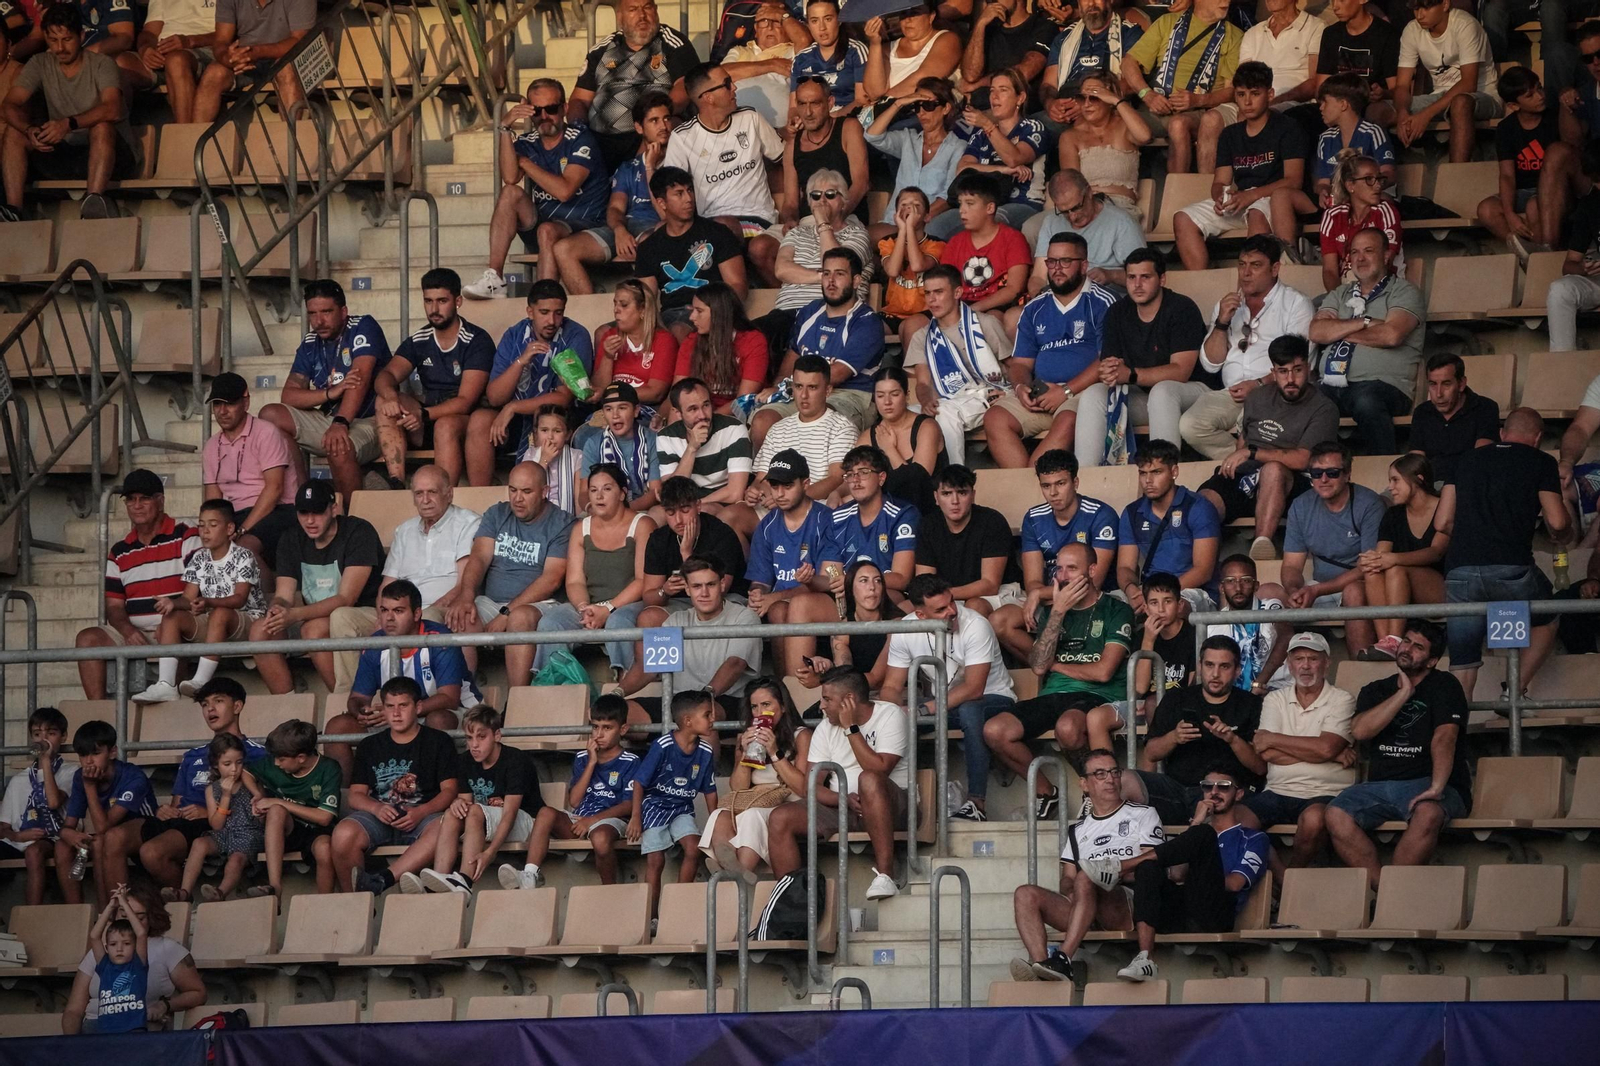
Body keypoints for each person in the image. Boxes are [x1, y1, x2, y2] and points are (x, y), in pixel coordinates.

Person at [986, 543, 1136, 814]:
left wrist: (1057, 665)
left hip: (1099, 695)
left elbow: (1103, 672)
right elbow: (1039, 668)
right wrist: (1057, 612)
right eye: (1059, 568)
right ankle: (1046, 793)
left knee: (1068, 727)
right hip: (1054, 694)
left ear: (1092, 570)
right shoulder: (1053, 610)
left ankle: (1094, 792)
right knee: (994, 730)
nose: (1063, 576)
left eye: (1072, 568)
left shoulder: (1116, 610)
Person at [1435, 408, 1573, 700]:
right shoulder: (1541, 461)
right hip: (1512, 572)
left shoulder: (1464, 460)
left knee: (1463, 662)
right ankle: (1513, 692)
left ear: (1501, 434)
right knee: (1548, 617)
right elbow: (1558, 522)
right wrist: (1563, 536)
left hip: (1460, 573)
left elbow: (1442, 522)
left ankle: (1458, 731)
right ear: (1537, 438)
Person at [1086, 766, 1268, 983]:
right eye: (1208, 787)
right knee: (1148, 868)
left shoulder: (1253, 838)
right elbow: (1178, 874)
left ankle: (1121, 866)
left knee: (1203, 836)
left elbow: (1236, 884)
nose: (1214, 792)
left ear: (1238, 794)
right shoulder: (1195, 831)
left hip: (1215, 913)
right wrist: (1197, 822)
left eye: (1224, 787)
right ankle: (1145, 958)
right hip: (1184, 909)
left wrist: (1203, 858)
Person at [1324, 622, 1471, 889]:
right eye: (1406, 641)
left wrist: (1437, 787)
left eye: (1419, 647)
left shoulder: (1445, 685)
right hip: (1379, 786)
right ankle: (1384, 889)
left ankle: (1394, 895)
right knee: (1335, 814)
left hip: (1430, 781)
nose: (1408, 649)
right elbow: (1360, 730)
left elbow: (1445, 738)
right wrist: (1403, 694)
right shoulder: (1376, 689)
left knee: (1428, 812)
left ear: (1432, 661)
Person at [1009, 748, 1160, 985]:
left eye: (1114, 772)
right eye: (1100, 774)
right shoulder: (1078, 830)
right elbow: (1067, 877)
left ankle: (1063, 959)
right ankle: (1044, 968)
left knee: (1088, 875)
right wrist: (1072, 888)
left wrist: (1107, 873)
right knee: (1025, 894)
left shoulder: (1142, 814)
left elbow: (1154, 861)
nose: (1110, 779)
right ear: (1085, 784)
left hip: (1123, 904)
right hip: (1084, 904)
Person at [328, 465, 480, 691]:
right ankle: (355, 697)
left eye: (432, 492)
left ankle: (425, 698)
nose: (425, 500)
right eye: (419, 494)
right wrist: (383, 613)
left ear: (449, 493)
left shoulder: (468, 523)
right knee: (342, 617)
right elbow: (388, 583)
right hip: (400, 610)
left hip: (439, 609)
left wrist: (419, 615)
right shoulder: (405, 531)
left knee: (428, 618)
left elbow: (464, 583)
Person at [766, 666, 909, 901]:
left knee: (869, 779)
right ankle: (789, 902)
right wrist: (843, 799)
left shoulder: (890, 715)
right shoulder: (824, 728)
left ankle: (886, 875)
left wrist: (851, 728)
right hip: (843, 807)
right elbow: (810, 785)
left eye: (827, 699)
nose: (821, 705)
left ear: (848, 701)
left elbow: (880, 768)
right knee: (780, 817)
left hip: (892, 805)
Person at [882, 574, 1014, 821]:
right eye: (940, 609)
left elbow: (974, 688)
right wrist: (890, 712)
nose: (951, 611)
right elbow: (890, 686)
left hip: (994, 699)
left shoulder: (975, 624)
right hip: (945, 706)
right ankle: (899, 804)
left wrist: (924, 710)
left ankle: (977, 803)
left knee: (970, 710)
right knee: (888, 717)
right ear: (920, 616)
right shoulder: (906, 629)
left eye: (951, 602)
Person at [1197, 335, 1339, 564]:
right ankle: (1197, 560)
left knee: (1272, 470)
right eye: (1283, 371)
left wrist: (1252, 453)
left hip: (1294, 483)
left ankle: (1261, 545)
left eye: (1298, 370)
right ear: (1273, 372)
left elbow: (1304, 459)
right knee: (1204, 501)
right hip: (1249, 475)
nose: (1290, 379)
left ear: (1309, 368)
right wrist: (1240, 455)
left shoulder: (1324, 408)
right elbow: (1244, 437)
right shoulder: (1258, 397)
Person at [465, 79, 610, 296]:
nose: (544, 117)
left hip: (587, 225)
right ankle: (494, 278)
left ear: (565, 108)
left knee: (547, 230)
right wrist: (505, 128)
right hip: (548, 224)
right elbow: (510, 177)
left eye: (551, 109)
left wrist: (524, 162)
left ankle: (545, 299)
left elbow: (564, 191)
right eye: (537, 111)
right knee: (510, 193)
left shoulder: (580, 139)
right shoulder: (527, 141)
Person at [984, 232, 1116, 468]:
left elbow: (1106, 360)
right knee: (995, 418)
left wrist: (1065, 391)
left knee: (1066, 420)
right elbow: (1021, 364)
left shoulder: (1103, 301)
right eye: (1052, 262)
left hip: (1082, 392)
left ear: (1084, 265)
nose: (1057, 268)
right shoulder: (1034, 307)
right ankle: (1026, 486)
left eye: (1066, 261)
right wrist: (1020, 387)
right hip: (1041, 392)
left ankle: (1034, 486)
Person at [1179, 239, 1316, 461]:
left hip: (1274, 393)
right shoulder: (1227, 305)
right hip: (1231, 392)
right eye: (1242, 265)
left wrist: (1258, 384)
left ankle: (1246, 463)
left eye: (1255, 265)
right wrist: (1222, 322)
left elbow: (1299, 363)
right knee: (1190, 425)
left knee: (1254, 425)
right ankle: (1247, 461)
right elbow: (1210, 364)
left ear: (1274, 268)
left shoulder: (1296, 303)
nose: (1246, 273)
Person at [1173, 61, 1313, 272]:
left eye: (1255, 94)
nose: (1247, 102)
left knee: (1256, 212)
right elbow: (1220, 180)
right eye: (1240, 94)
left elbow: (1293, 180)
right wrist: (1221, 196)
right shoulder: (1231, 134)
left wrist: (1251, 196)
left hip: (1273, 198)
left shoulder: (1287, 127)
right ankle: (1200, 282)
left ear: (1270, 94)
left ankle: (1257, 286)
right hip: (1241, 200)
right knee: (1183, 218)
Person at [259, 280, 390, 506]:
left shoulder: (363, 326)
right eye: (313, 314)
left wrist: (341, 422)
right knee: (270, 414)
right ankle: (302, 498)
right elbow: (289, 396)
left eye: (327, 312)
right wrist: (330, 393)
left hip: (371, 420)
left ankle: (352, 520)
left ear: (343, 311)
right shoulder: (310, 342)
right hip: (329, 419)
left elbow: (359, 379)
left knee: (338, 445)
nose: (319, 321)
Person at [1, 4, 138, 218]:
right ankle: (14, 210)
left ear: (81, 36)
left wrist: (68, 123)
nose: (60, 48)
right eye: (53, 40)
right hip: (66, 150)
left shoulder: (102, 63)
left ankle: (94, 201)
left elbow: (113, 109)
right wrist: (29, 130)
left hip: (111, 155)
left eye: (67, 39)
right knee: (14, 132)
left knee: (101, 126)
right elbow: (9, 105)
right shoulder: (40, 62)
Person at [251, 481, 385, 695]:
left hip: (360, 613)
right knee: (261, 630)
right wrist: (277, 609)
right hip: (309, 615)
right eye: (303, 513)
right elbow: (284, 595)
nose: (310, 520)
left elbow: (346, 598)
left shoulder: (358, 531)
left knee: (313, 630)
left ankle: (346, 701)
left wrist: (294, 614)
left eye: (318, 512)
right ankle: (289, 705)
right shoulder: (291, 537)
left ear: (334, 509)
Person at [447, 462, 574, 688]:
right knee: (462, 617)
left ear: (545, 492)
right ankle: (465, 693)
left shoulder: (562, 523)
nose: (517, 499)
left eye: (526, 492)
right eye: (513, 490)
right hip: (492, 602)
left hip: (541, 604)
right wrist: (466, 595)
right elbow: (478, 558)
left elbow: (552, 578)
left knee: (519, 617)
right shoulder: (497, 513)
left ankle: (517, 698)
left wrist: (507, 612)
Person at [76, 470, 199, 700]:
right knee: (87, 639)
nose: (137, 505)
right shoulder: (119, 551)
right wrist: (127, 630)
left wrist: (171, 615)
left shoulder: (185, 532)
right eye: (131, 499)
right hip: (135, 630)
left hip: (177, 624)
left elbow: (196, 588)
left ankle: (176, 703)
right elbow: (113, 606)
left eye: (144, 498)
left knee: (169, 628)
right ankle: (99, 717)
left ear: (160, 501)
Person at [1077, 250, 1207, 467]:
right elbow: (1110, 363)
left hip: (1193, 394)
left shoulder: (1182, 308)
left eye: (1145, 277)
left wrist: (1131, 374)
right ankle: (1088, 480)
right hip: (1144, 397)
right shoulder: (1118, 312)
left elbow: (1181, 371)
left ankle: (1162, 473)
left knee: (1163, 391)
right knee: (1094, 395)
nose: (1137, 285)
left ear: (1162, 279)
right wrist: (1109, 371)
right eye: (1131, 277)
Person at [134, 679, 263, 896]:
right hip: (181, 823)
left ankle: (183, 902)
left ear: (238, 707)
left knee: (151, 852)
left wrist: (209, 813)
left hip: (216, 825)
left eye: (218, 701)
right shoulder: (192, 755)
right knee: (112, 840)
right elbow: (177, 802)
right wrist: (164, 810)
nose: (210, 709)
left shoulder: (258, 754)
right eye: (204, 704)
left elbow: (258, 805)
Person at [335, 581, 480, 772]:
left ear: (417, 614)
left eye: (398, 611)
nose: (389, 618)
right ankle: (345, 797)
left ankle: (431, 792)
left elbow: (449, 699)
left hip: (453, 713)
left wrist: (400, 712)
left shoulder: (440, 638)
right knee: (338, 726)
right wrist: (362, 712)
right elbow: (357, 698)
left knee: (438, 720)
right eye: (384, 610)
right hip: (396, 714)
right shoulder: (374, 644)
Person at [132, 500, 267, 704]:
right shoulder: (199, 558)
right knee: (172, 617)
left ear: (229, 528)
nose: (205, 531)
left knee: (220, 612)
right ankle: (166, 685)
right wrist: (172, 603)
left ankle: (201, 680)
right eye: (201, 525)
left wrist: (209, 602)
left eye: (213, 525)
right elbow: (188, 598)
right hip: (213, 620)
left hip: (248, 620)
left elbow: (239, 599)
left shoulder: (243, 555)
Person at [1240, 632, 1355, 869]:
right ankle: (1282, 880)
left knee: (1314, 821)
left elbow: (1325, 747)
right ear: (1289, 665)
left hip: (1326, 792)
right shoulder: (1275, 699)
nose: (1305, 666)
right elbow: (1266, 753)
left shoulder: (1342, 699)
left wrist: (1274, 739)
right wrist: (1328, 754)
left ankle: (1293, 877)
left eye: (1313, 659)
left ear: (1327, 663)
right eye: (1299, 658)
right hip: (1277, 791)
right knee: (1235, 822)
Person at [337, 677, 461, 895]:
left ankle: (383, 880)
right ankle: (354, 902)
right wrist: (376, 808)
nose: (396, 713)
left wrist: (421, 811)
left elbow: (450, 791)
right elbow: (355, 796)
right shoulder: (370, 745)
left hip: (424, 816)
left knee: (445, 826)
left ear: (418, 707)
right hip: (380, 817)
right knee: (342, 834)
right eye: (390, 707)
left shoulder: (438, 741)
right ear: (382, 709)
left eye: (403, 706)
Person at [1122, 635, 1264, 824]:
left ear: (1237, 670)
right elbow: (1151, 752)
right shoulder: (1176, 699)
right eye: (1209, 665)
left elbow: (1260, 767)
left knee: (1217, 805)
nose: (1215, 674)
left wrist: (1232, 739)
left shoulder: (1251, 704)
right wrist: (1174, 737)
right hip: (1178, 790)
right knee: (1123, 779)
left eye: (1224, 667)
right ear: (1199, 665)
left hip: (1224, 793)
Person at [991, 449, 1119, 660]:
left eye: (1061, 483)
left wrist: (1039, 594)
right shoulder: (1034, 518)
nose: (1053, 492)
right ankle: (1052, 664)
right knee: (998, 621)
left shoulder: (1100, 514)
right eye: (1046, 485)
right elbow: (1032, 581)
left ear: (1075, 483)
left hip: (1093, 600)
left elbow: (1092, 581)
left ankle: (1062, 665)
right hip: (1050, 600)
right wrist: (1040, 595)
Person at [468, 279, 597, 487]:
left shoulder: (575, 335)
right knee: (480, 420)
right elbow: (494, 396)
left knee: (547, 422)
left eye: (558, 312)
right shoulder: (514, 335)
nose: (552, 320)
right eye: (544, 312)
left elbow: (563, 398)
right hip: (518, 419)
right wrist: (521, 362)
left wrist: (512, 407)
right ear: (530, 312)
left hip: (559, 418)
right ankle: (481, 496)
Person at [664, 62, 784, 284]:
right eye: (727, 84)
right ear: (708, 97)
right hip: (710, 225)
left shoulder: (750, 119)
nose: (735, 88)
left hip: (759, 221)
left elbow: (784, 159)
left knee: (725, 230)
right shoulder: (682, 138)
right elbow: (671, 191)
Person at [373, 269, 496, 486]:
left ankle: (443, 496)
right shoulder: (420, 339)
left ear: (458, 301)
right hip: (425, 418)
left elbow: (466, 401)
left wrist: (423, 414)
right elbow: (386, 375)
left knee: (445, 425)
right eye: (428, 301)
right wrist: (391, 396)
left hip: (464, 421)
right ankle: (396, 481)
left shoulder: (477, 340)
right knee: (384, 399)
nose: (434, 309)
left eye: (442, 301)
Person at [752, 243, 883, 446]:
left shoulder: (867, 321)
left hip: (849, 396)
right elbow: (792, 358)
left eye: (839, 274)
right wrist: (778, 387)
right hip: (803, 391)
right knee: (763, 421)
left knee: (818, 419)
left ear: (856, 281)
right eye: (826, 274)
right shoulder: (809, 312)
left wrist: (787, 388)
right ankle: (764, 477)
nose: (830, 281)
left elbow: (837, 374)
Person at [1308, 229, 1425, 455]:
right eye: (1354, 252)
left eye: (1368, 251)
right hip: (1331, 383)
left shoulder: (1404, 291)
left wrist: (1339, 330)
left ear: (1387, 255)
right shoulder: (1339, 294)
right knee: (1303, 400)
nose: (1360, 258)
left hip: (1383, 385)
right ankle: (1314, 475)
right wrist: (1366, 322)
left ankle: (1383, 470)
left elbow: (1391, 335)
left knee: (1365, 401)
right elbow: (1317, 332)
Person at [503, 696, 637, 889]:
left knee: (600, 838)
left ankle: (609, 888)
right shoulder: (583, 758)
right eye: (595, 727)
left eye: (607, 728)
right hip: (579, 819)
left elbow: (628, 805)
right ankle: (530, 875)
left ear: (622, 730)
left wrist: (592, 821)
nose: (599, 734)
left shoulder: (630, 760)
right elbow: (574, 801)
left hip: (610, 821)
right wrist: (591, 763)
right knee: (546, 813)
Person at [533, 464, 655, 679]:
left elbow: (642, 580)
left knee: (619, 622)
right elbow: (574, 581)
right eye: (593, 489)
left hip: (629, 603)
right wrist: (583, 609)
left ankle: (628, 684)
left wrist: (608, 609)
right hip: (591, 604)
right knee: (551, 622)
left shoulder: (642, 524)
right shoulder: (581, 527)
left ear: (622, 493)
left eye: (607, 489)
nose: (599, 496)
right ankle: (553, 686)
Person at [403, 705, 537, 896]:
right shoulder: (464, 761)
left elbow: (510, 813)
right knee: (454, 812)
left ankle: (464, 881)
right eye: (469, 738)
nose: (474, 745)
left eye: (481, 737)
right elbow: (466, 803)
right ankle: (439, 880)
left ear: (497, 735)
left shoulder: (516, 760)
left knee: (474, 810)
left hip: (526, 822)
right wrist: (457, 803)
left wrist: (490, 852)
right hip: (486, 820)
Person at [553, 91, 674, 295]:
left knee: (649, 242)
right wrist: (619, 230)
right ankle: (591, 315)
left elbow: (666, 215)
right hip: (627, 226)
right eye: (654, 120)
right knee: (563, 249)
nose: (663, 126)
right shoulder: (628, 167)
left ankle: (641, 312)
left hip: (656, 228)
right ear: (638, 127)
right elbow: (616, 208)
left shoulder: (679, 162)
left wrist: (651, 168)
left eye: (666, 119)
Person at [756, 166, 875, 363]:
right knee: (750, 336)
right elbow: (782, 269)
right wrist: (823, 276)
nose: (822, 201)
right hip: (787, 312)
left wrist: (822, 224)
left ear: (844, 201)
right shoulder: (796, 233)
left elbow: (835, 263)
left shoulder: (858, 234)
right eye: (816, 195)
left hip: (831, 314)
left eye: (830, 194)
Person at [1278, 440, 1386, 656]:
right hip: (1319, 588)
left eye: (1332, 472)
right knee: (1268, 594)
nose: (1323, 479)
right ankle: (1274, 679)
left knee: (1353, 592)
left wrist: (1316, 590)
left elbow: (1368, 567)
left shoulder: (1369, 504)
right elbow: (1291, 565)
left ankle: (1360, 670)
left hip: (1361, 586)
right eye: (1316, 473)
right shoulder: (1300, 505)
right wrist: (1293, 591)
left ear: (1347, 474)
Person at [744, 449, 846, 676]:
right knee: (777, 611)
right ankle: (785, 687)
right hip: (780, 606)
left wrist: (777, 596)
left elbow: (832, 580)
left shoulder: (826, 519)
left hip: (826, 603)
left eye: (787, 486)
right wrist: (758, 594)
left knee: (787, 606)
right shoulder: (767, 525)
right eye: (774, 486)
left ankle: (794, 687)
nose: (779, 493)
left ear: (806, 483)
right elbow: (760, 579)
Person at [624, 554, 760, 719]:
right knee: (620, 712)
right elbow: (649, 669)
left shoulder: (744, 616)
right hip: (680, 703)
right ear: (687, 589)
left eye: (710, 584)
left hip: (727, 701)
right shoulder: (675, 621)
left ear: (722, 584)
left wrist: (704, 696)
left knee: (701, 714)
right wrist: (616, 694)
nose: (704, 593)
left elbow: (735, 664)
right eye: (696, 586)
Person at [568, 0, 699, 170]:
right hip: (600, 139)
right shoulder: (601, 49)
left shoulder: (671, 42)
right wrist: (579, 130)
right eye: (633, 9)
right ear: (620, 17)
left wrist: (654, 120)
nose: (642, 16)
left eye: (647, 7)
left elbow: (685, 87)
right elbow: (579, 99)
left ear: (656, 10)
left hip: (647, 135)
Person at [62, 879, 205, 1034]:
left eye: (139, 917)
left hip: (140, 1025)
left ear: (152, 917)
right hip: (95, 1026)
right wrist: (71, 1044)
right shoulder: (101, 953)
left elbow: (198, 993)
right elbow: (74, 1010)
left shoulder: (168, 948)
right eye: (124, 914)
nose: (131, 921)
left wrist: (165, 1005)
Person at [905, 265, 1012, 467]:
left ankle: (954, 476)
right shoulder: (923, 336)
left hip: (987, 396)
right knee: (906, 413)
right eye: (927, 293)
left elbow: (1013, 365)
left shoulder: (984, 323)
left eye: (938, 292)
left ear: (957, 292)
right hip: (947, 399)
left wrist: (1012, 394)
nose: (931, 299)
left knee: (944, 413)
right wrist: (926, 400)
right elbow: (922, 382)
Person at [1120, 0, 1243, 174]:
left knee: (1178, 124)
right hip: (1158, 105)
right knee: (1115, 121)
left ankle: (1178, 193)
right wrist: (1147, 95)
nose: (1226, 2)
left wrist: (1198, 100)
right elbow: (1128, 63)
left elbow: (1232, 92)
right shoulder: (1167, 22)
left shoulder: (1233, 35)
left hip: (1201, 110)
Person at [701, 678, 811, 873]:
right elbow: (739, 788)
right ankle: (727, 864)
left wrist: (774, 752)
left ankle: (738, 871)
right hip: (756, 800)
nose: (760, 713)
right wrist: (744, 753)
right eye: (754, 707)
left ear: (783, 707)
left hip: (788, 803)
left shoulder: (801, 735)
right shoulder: (745, 737)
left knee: (752, 816)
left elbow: (802, 788)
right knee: (719, 815)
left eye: (766, 705)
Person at [201, 374, 302, 582]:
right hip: (235, 514)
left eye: (230, 403)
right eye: (217, 404)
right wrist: (212, 528)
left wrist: (241, 529)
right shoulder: (211, 446)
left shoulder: (266, 432)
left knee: (243, 548)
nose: (222, 411)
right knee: (199, 547)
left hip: (278, 511)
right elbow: (213, 501)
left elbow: (274, 489)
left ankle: (269, 606)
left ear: (246, 402)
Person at [629, 690, 717, 919]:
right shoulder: (663, 745)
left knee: (693, 847)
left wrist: (715, 824)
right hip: (655, 806)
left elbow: (709, 790)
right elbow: (639, 782)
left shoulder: (705, 751)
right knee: (655, 860)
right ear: (688, 721)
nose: (712, 719)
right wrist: (636, 817)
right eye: (707, 714)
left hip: (682, 809)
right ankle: (651, 917)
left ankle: (676, 909)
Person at [1479, 66, 1581, 263]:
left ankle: (1542, 258)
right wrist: (1510, 215)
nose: (1540, 96)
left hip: (1554, 190)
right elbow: (1507, 175)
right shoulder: (1506, 128)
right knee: (1486, 209)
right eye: (1530, 95)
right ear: (1514, 105)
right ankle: (1528, 255)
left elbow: (1573, 151)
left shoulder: (1553, 118)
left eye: (1539, 88)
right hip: (1523, 190)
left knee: (1535, 206)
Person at [635, 165, 749, 336]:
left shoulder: (717, 233)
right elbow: (646, 298)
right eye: (679, 193)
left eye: (690, 190)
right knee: (604, 332)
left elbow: (738, 286)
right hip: (669, 314)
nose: (689, 198)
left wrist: (714, 312)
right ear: (661, 203)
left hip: (710, 310)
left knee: (678, 330)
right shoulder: (649, 247)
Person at [933, 68, 1046, 240]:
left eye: (1003, 90)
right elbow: (963, 169)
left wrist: (987, 125)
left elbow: (1014, 158)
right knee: (935, 228)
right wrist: (1003, 170)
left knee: (990, 220)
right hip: (979, 205)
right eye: (992, 90)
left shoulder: (1032, 127)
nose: (994, 96)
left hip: (1020, 203)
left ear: (1020, 98)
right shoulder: (980, 135)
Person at [54, 721, 156, 906]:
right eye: (83, 755)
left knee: (106, 838)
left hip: (147, 830)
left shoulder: (133, 776)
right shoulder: (80, 776)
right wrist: (67, 833)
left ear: (112, 752)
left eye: (95, 753)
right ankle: (78, 914)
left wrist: (89, 787)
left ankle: (112, 910)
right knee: (63, 846)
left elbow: (103, 826)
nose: (89, 761)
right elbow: (69, 824)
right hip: (110, 835)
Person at [1118, 439, 1223, 614]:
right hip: (1149, 591)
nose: (1148, 481)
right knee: (1109, 606)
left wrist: (1159, 595)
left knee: (1172, 607)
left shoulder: (1198, 507)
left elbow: (1203, 570)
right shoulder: (1132, 512)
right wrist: (1131, 590)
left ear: (1174, 471)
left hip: (1194, 591)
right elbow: (1125, 567)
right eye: (1143, 473)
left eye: (1156, 472)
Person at [1360, 454, 1449, 661]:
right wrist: (1371, 559)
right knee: (1374, 570)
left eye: (1395, 480)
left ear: (1418, 479)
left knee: (1395, 567)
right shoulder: (1393, 514)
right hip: (1400, 588)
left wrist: (1393, 559)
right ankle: (1387, 643)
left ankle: (1393, 639)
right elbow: (1382, 555)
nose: (1390, 487)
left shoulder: (1444, 507)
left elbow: (1436, 551)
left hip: (1442, 586)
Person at [1394, 0, 1498, 165]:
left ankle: (1456, 176)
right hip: (1439, 97)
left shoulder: (1465, 24)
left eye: (1426, 7)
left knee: (1460, 103)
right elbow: (1401, 86)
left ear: (1445, 4)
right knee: (1379, 111)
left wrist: (1425, 115)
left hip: (1481, 95)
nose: (1419, 15)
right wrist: (1401, 113)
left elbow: (1468, 84)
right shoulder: (1411, 30)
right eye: (1416, 8)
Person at [249, 718, 342, 898]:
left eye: (281, 759)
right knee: (276, 811)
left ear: (301, 758)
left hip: (318, 830)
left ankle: (325, 901)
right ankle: (275, 888)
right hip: (288, 829)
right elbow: (246, 773)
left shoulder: (329, 768)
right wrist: (258, 794)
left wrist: (279, 801)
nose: (276, 763)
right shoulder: (277, 762)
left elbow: (324, 817)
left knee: (324, 848)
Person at [915, 464, 1022, 618]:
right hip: (947, 596)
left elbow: (990, 585)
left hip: (999, 593)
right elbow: (924, 581)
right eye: (946, 493)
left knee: (973, 607)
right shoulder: (927, 525)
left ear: (973, 495)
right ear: (936, 498)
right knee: (908, 609)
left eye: (962, 492)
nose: (955, 501)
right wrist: (937, 599)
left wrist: (942, 596)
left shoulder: (992, 521)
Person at [863, 77, 965, 240]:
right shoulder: (907, 139)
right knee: (858, 239)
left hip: (929, 224)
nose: (922, 112)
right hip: (894, 222)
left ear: (946, 108)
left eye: (928, 105)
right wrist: (899, 103)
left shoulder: (958, 147)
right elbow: (872, 135)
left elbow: (948, 196)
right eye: (917, 106)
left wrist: (917, 221)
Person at [656, 377, 758, 536]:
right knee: (655, 515)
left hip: (722, 502)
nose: (702, 415)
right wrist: (692, 448)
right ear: (678, 413)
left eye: (706, 405)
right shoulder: (666, 437)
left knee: (702, 513)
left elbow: (735, 492)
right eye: (692, 409)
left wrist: (694, 506)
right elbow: (672, 493)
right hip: (685, 503)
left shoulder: (733, 429)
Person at [169, 734, 264, 903]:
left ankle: (220, 892)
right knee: (199, 843)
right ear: (215, 765)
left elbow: (261, 813)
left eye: (239, 762)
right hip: (224, 833)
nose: (234, 769)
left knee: (236, 859)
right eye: (227, 764)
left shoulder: (251, 783)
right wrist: (225, 797)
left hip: (249, 834)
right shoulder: (211, 789)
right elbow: (216, 825)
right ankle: (185, 892)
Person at [748, 357, 856, 503]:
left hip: (813, 507)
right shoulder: (778, 428)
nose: (804, 395)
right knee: (732, 515)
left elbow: (837, 478)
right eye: (799, 387)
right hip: (774, 504)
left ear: (828, 390)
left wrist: (792, 499)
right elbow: (761, 478)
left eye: (812, 387)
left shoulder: (842, 427)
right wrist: (754, 492)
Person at [0, 708, 78, 905]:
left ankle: (31, 914)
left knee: (33, 852)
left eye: (50, 733)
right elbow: (3, 825)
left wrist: (45, 761)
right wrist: (16, 836)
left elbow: (53, 802)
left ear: (64, 736)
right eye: (37, 734)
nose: (44, 740)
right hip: (18, 840)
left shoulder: (71, 771)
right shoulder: (19, 780)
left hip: (53, 836)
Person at [191, 0, 312, 124]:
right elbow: (221, 40)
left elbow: (299, 41)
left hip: (288, 57)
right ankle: (196, 138)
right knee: (214, 72)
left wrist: (256, 52)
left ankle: (291, 138)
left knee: (286, 68)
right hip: (247, 59)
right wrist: (228, 58)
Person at [1030, 169, 1144, 295]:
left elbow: (1144, 275)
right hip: (1060, 299)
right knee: (1013, 315)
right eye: (1064, 212)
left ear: (1089, 192)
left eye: (1076, 207)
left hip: (1105, 300)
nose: (1072, 217)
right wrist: (1038, 300)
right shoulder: (1051, 222)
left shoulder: (1122, 222)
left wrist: (1111, 275)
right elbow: (1038, 277)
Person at [641, 479, 749, 611]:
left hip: (724, 601)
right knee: (645, 616)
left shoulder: (721, 534)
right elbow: (648, 597)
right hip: (678, 602)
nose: (678, 520)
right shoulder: (659, 539)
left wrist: (686, 554)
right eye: (670, 512)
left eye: (685, 510)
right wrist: (665, 590)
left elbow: (720, 590)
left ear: (698, 506)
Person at [1055, 73, 1152, 218]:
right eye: (1082, 98)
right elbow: (1072, 185)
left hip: (1120, 208)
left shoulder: (1124, 127)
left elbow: (1145, 136)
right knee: (1032, 227)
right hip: (1084, 208)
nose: (1087, 104)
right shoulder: (1070, 137)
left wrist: (1116, 100)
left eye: (1094, 97)